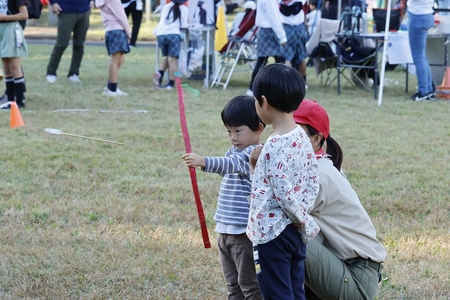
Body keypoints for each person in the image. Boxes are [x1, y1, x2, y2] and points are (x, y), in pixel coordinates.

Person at [292, 99, 386, 299]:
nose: (285, 139)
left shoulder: (317, 172)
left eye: (295, 132)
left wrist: (256, 169)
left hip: (357, 278)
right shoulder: (320, 163)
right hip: (342, 264)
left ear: (315, 139)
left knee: (285, 232)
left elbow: (277, 212)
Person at [181, 95, 265, 300]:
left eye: (238, 130)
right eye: (229, 131)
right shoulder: (234, 151)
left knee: (249, 285)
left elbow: (230, 165)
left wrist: (203, 161)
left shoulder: (254, 154)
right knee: (232, 284)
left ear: (259, 129)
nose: (233, 137)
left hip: (243, 233)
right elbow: (226, 166)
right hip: (225, 231)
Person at [247, 63, 319, 300]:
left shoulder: (273, 147)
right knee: (295, 289)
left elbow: (283, 194)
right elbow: (312, 177)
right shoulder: (300, 135)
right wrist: (303, 215)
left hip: (272, 235)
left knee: (277, 293)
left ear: (264, 102)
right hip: (294, 232)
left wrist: (302, 220)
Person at [45, 0, 93, 84]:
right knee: (61, 44)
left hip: (84, 10)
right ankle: (51, 73)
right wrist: (53, 3)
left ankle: (73, 73)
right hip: (66, 10)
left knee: (79, 45)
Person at [245, 0, 286, 97]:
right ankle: (254, 88)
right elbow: (274, 17)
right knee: (278, 62)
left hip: (266, 30)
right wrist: (282, 36)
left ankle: (253, 88)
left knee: (265, 61)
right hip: (270, 30)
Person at [96, 0, 131, 97]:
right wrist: (129, 32)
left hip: (110, 29)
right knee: (115, 60)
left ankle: (111, 86)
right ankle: (112, 89)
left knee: (120, 59)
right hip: (117, 29)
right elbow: (121, 16)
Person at [153, 0, 188, 90]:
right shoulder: (184, 8)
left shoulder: (166, 7)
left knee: (167, 57)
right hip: (173, 34)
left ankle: (159, 74)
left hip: (161, 34)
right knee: (172, 60)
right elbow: (184, 25)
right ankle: (171, 84)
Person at [0, 0, 28, 109]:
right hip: (1, 30)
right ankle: (10, 102)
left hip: (11, 28)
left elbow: (24, 14)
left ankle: (19, 102)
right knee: (6, 69)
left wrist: (4, 18)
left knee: (15, 68)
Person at [407, 0, 436, 101]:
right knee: (422, 56)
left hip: (417, 15)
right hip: (428, 13)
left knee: (418, 57)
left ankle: (423, 91)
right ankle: (429, 90)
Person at [279, 0, 309, 84]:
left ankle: (284, 82)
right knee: (301, 57)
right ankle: (303, 82)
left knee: (286, 57)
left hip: (285, 27)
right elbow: (305, 9)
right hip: (299, 27)